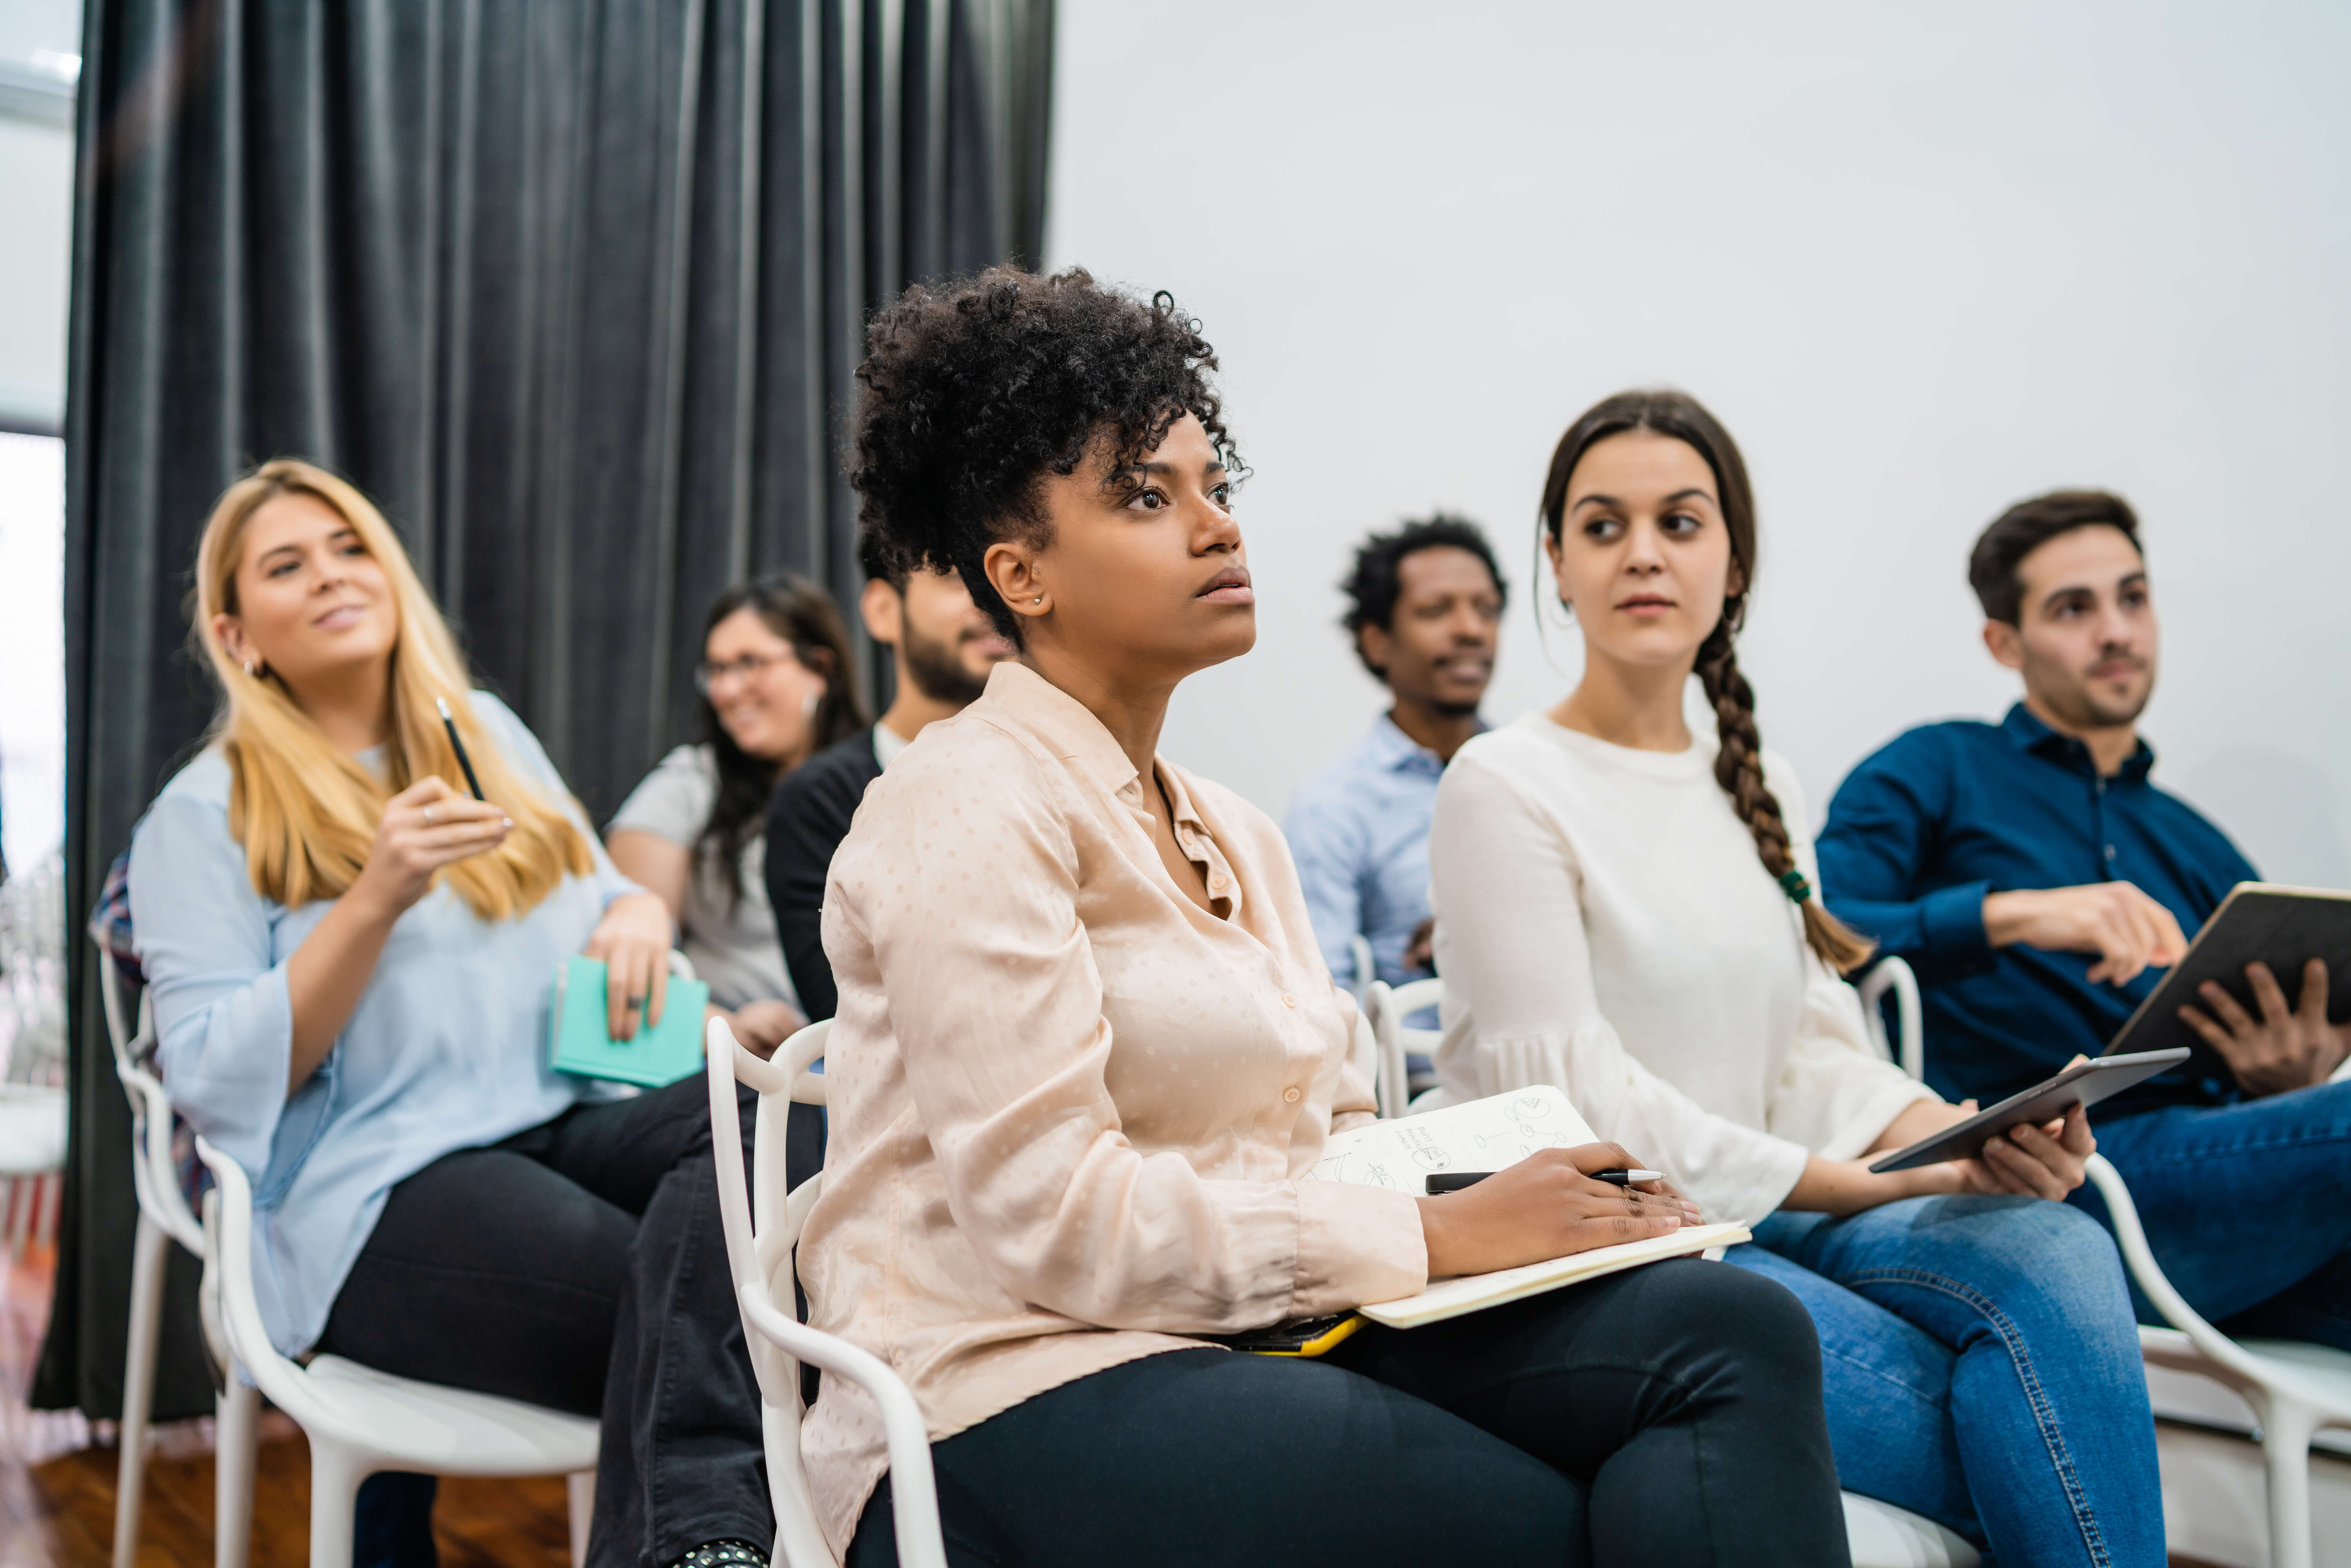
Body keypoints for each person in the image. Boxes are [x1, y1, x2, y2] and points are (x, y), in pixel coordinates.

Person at [798, 269, 1850, 1568]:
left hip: (1267, 1329)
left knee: (1733, 1330)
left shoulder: (1235, 831)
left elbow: (1332, 1126)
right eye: (1147, 497)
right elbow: (1050, 1218)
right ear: (1020, 575)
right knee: (1555, 1522)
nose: (1217, 528)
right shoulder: (962, 800)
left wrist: (1510, 1194)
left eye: (1213, 486)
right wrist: (1433, 1233)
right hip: (1006, 1380)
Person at [1425, 392, 2164, 1566]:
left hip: (1774, 1206)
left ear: (1732, 566)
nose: (1643, 553)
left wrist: (1957, 1135)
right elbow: (1578, 1108)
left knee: (2059, 1244)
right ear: (1556, 566)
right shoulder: (1501, 783)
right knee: (2018, 1412)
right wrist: (1858, 1183)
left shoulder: (1757, 774)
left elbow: (1813, 1043)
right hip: (1636, 1250)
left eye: (1679, 521)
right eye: (1603, 527)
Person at [129, 460, 772, 1568]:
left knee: (771, 1124)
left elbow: (597, 888)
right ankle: (705, 1545)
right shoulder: (200, 817)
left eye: (350, 548)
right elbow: (212, 1084)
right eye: (286, 566)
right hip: (378, 1182)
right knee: (731, 1312)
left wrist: (635, 914)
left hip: (560, 1113)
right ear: (237, 637)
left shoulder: (484, 733)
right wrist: (372, 898)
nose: (331, 575)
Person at [1818, 490, 2351, 1350]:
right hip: (2038, 1177)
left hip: (2224, 1197)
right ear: (2004, 643)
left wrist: (2287, 1080)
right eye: (2074, 608)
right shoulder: (1936, 767)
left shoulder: (2199, 847)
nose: (2115, 631)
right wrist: (2014, 914)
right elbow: (1816, 930)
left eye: (2131, 598)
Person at [762, 532, 1013, 1022]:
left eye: (1007, 573)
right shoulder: (821, 801)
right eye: (955, 575)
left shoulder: (1071, 774)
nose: (992, 599)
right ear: (883, 610)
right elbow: (849, 1013)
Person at [607, 576, 863, 1053]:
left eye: (750, 663)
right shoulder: (689, 783)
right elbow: (617, 961)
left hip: (870, 1057)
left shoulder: (880, 778)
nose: (727, 689)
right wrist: (721, 1027)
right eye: (717, 669)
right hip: (736, 1066)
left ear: (819, 669)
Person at [1287, 515, 1503, 1005]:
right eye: (1436, 611)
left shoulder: (1537, 773)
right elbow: (1323, 998)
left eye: (1487, 609)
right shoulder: (1332, 808)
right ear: (1377, 642)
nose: (1472, 630)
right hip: (1417, 1052)